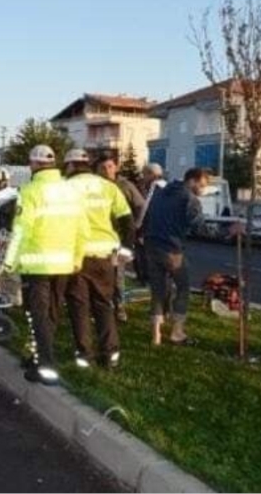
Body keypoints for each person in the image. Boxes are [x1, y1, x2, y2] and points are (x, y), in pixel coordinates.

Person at [2, 145, 89, 386]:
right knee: (51, 313)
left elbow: (20, 230)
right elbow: (82, 229)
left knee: (37, 315)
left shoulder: (30, 192)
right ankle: (37, 357)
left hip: (36, 263)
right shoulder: (70, 191)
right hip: (64, 263)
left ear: (34, 164)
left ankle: (46, 367)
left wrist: (8, 262)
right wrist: (77, 258)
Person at [64, 149, 134, 369]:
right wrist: (127, 248)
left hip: (77, 255)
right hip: (105, 255)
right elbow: (127, 219)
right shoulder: (108, 187)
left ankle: (84, 354)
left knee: (79, 306)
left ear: (70, 166)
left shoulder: (65, 188)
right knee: (104, 303)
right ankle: (111, 353)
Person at [144, 167, 209, 345]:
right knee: (183, 287)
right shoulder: (189, 198)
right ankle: (177, 331)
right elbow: (199, 226)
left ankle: (156, 334)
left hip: (151, 245)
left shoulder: (161, 192)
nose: (202, 190)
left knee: (158, 291)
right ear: (192, 181)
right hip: (172, 249)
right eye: (202, 185)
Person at [94, 154, 145, 322]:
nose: (107, 170)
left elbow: (140, 206)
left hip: (118, 239)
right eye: (103, 167)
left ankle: (119, 308)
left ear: (115, 168)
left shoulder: (125, 186)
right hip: (97, 239)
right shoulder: (94, 187)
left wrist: (135, 226)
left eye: (110, 166)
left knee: (117, 276)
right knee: (98, 276)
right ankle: (100, 308)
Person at [135, 163, 168, 285]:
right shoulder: (167, 186)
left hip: (151, 230)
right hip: (165, 231)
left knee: (146, 257)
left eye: (144, 174)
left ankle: (146, 280)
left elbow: (146, 208)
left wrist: (139, 227)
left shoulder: (155, 186)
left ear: (151, 174)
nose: (143, 177)